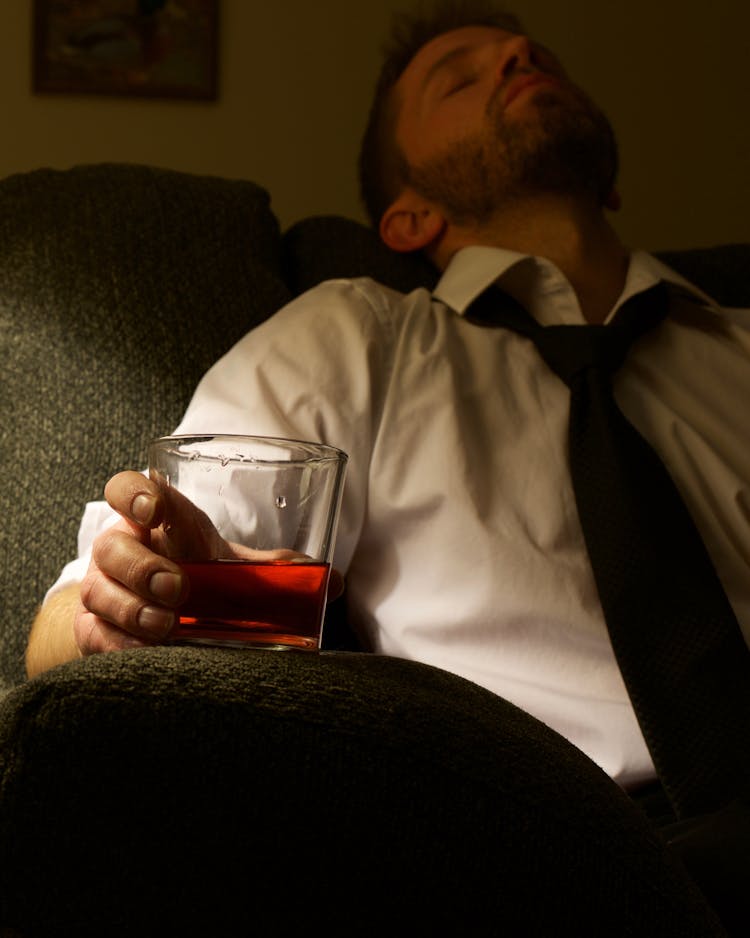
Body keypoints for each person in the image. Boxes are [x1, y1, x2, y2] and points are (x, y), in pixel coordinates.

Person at [25, 1, 749, 927]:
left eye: (532, 54)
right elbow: (66, 629)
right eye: (460, 74)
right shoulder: (356, 335)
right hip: (568, 860)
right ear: (409, 218)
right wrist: (135, 603)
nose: (520, 53)